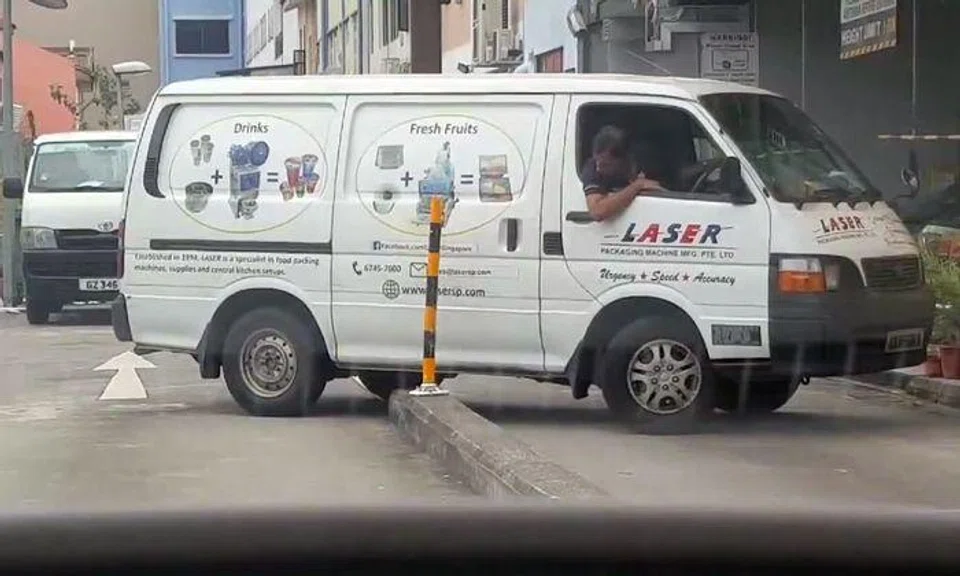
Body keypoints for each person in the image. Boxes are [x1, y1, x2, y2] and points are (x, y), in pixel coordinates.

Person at [581, 125, 661, 221]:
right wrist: (637, 186)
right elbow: (598, 211)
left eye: (606, 164)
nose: (598, 168)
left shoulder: (647, 164)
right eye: (597, 160)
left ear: (624, 160)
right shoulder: (592, 168)